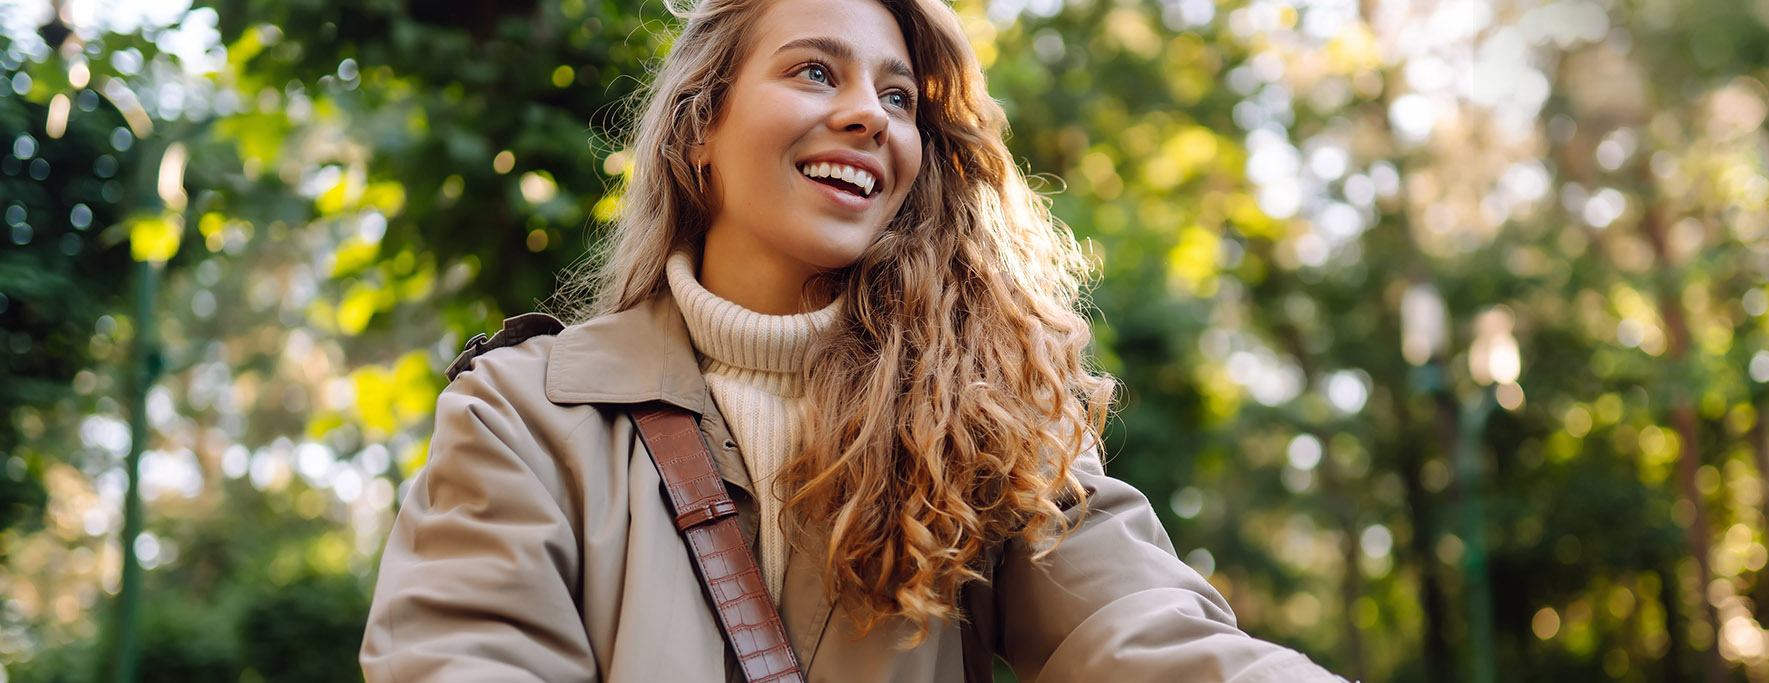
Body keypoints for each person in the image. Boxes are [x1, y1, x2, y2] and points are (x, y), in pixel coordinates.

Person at [357, 0, 1342, 680]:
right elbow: (466, 653)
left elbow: (1142, 633)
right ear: (701, 126)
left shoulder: (991, 420)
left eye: (900, 96)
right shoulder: (524, 411)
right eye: (815, 70)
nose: (868, 112)